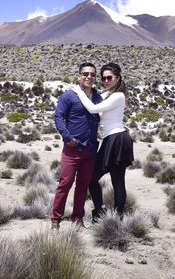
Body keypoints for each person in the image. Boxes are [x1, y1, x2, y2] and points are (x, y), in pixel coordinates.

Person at [73, 62, 133, 220]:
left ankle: (117, 217)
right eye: (103, 78)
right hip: (111, 139)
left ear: (118, 78)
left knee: (117, 180)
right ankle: (100, 211)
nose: (106, 81)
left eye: (109, 77)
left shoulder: (118, 96)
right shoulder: (107, 95)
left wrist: (78, 91)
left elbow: (93, 109)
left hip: (117, 139)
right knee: (93, 178)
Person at [50, 62, 102, 229]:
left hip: (91, 150)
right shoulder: (69, 96)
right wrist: (67, 137)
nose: (89, 77)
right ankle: (55, 220)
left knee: (83, 186)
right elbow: (59, 117)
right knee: (65, 183)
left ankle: (78, 219)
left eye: (92, 74)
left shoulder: (97, 97)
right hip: (72, 149)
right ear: (78, 76)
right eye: (85, 74)